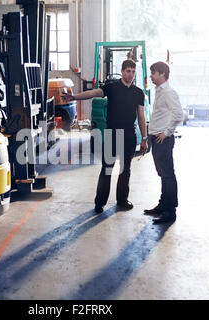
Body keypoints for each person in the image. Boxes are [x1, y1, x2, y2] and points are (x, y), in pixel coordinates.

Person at [62, 59, 148, 213]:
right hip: (112, 134)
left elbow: (141, 117)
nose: (131, 74)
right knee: (107, 168)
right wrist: (74, 97)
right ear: (122, 71)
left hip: (129, 135)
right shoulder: (112, 87)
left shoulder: (138, 93)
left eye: (133, 71)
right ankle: (99, 202)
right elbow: (93, 93)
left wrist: (145, 139)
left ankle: (122, 200)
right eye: (128, 71)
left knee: (125, 170)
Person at [144, 61, 183, 224]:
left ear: (162, 74)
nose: (151, 76)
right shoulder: (159, 91)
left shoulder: (168, 92)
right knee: (163, 175)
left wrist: (166, 133)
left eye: (153, 73)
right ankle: (163, 205)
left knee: (168, 174)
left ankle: (170, 211)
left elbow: (179, 114)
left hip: (163, 140)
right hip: (156, 138)